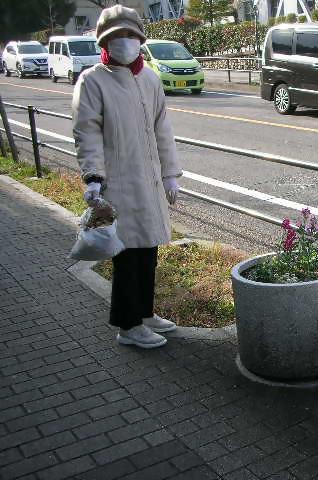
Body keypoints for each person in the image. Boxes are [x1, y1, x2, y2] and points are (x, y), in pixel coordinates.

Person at [72, 5, 182, 349]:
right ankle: (127, 325)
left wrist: (170, 174)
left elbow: (162, 128)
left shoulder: (149, 77)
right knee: (127, 255)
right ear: (105, 41)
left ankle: (145, 314)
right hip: (117, 182)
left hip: (148, 179)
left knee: (148, 250)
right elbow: (86, 131)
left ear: (140, 39)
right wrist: (93, 177)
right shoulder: (93, 80)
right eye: (117, 36)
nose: (125, 42)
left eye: (130, 35)